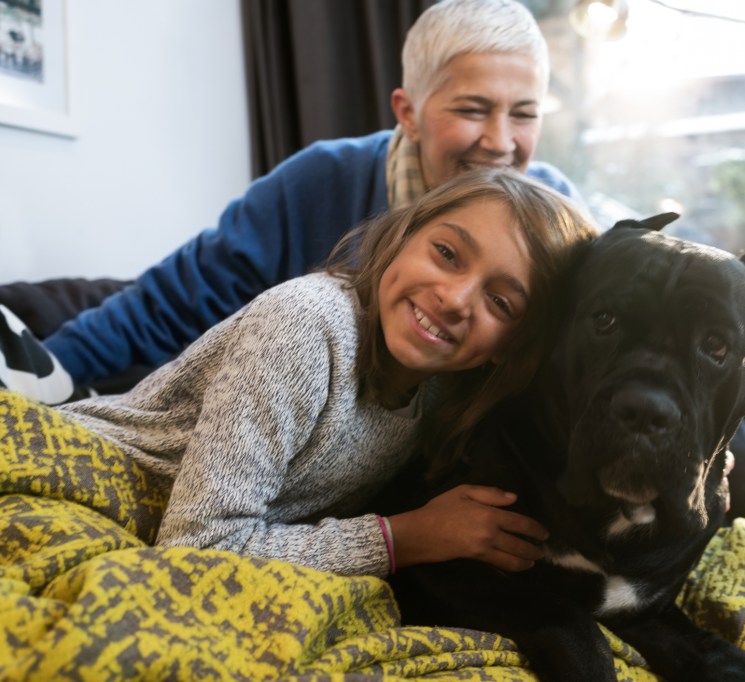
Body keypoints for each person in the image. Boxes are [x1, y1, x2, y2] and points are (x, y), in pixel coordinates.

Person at [5, 169, 596, 579]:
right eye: (446, 253)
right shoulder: (306, 326)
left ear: (510, 347)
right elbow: (199, 546)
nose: (455, 297)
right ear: (399, 239)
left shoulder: (444, 387)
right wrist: (404, 538)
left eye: (501, 303)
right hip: (76, 477)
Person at [38, 0, 577, 393]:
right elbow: (170, 302)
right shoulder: (321, 179)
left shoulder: (560, 217)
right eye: (472, 109)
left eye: (524, 114)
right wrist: (44, 374)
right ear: (408, 113)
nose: (501, 142)